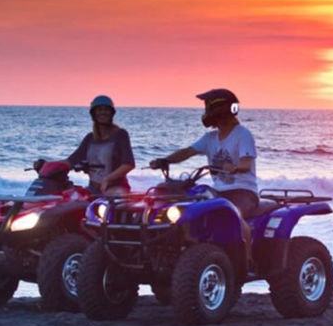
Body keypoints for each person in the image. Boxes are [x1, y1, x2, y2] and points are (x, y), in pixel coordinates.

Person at [149, 88, 258, 259]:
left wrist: (236, 167)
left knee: (235, 213)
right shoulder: (210, 138)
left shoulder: (243, 134)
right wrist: (165, 160)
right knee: (189, 207)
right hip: (218, 192)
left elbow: (246, 162)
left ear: (220, 109)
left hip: (243, 192)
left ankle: (247, 261)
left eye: (208, 107)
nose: (205, 111)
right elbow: (187, 152)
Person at [36, 95, 135, 195]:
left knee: (114, 197)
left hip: (115, 188)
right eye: (99, 110)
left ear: (111, 113)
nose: (103, 112)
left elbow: (128, 164)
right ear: (93, 114)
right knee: (68, 197)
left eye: (106, 109)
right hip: (93, 189)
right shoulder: (90, 138)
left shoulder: (120, 134)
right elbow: (71, 161)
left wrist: (108, 179)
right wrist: (47, 165)